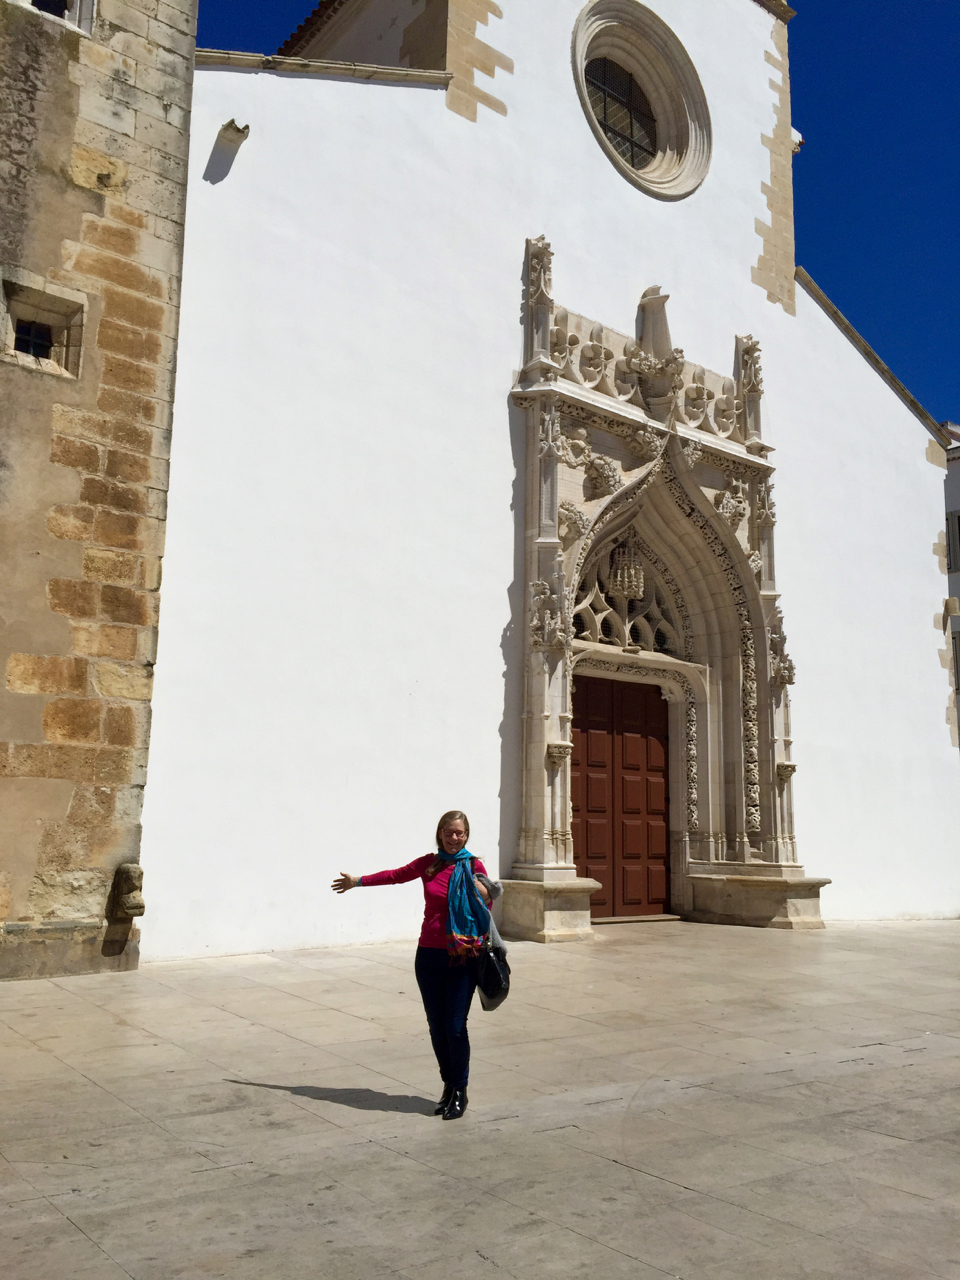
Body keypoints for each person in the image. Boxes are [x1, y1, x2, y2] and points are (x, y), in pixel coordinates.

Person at [331, 810, 496, 1121]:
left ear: (466, 835)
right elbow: (395, 875)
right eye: (449, 832)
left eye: (459, 833)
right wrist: (358, 881)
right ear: (440, 834)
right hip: (429, 955)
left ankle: (460, 1090)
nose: (454, 837)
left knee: (455, 1026)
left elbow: (489, 899)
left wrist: (483, 891)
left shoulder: (473, 866)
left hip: (462, 957)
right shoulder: (429, 864)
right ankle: (448, 1086)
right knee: (436, 1027)